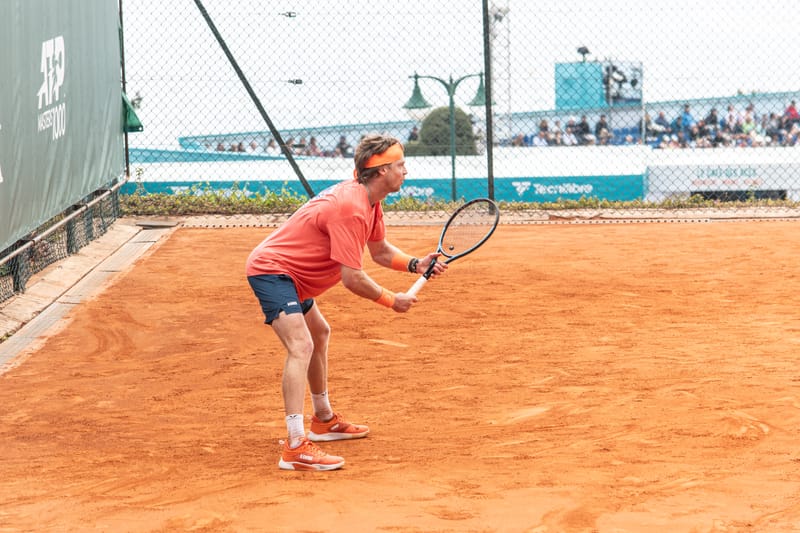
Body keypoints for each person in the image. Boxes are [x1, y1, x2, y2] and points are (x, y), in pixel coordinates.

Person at [245, 134, 447, 471]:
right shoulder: (351, 207)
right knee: (301, 345)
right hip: (274, 272)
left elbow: (380, 251)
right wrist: (391, 300)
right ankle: (294, 446)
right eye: (400, 166)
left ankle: (323, 420)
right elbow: (352, 277)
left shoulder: (370, 200)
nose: (406, 171)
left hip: (296, 278)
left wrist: (416, 264)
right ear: (381, 171)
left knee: (319, 333)